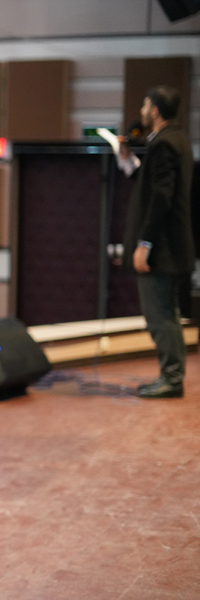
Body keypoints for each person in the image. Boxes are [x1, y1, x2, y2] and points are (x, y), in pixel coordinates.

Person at [118, 85, 195, 399]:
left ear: (155, 110)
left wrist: (145, 244)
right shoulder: (177, 139)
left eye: (144, 106)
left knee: (160, 316)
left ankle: (172, 378)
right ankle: (172, 376)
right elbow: (152, 186)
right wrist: (128, 160)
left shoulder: (163, 143)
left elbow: (161, 197)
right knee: (168, 314)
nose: (141, 112)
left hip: (162, 249)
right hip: (172, 247)